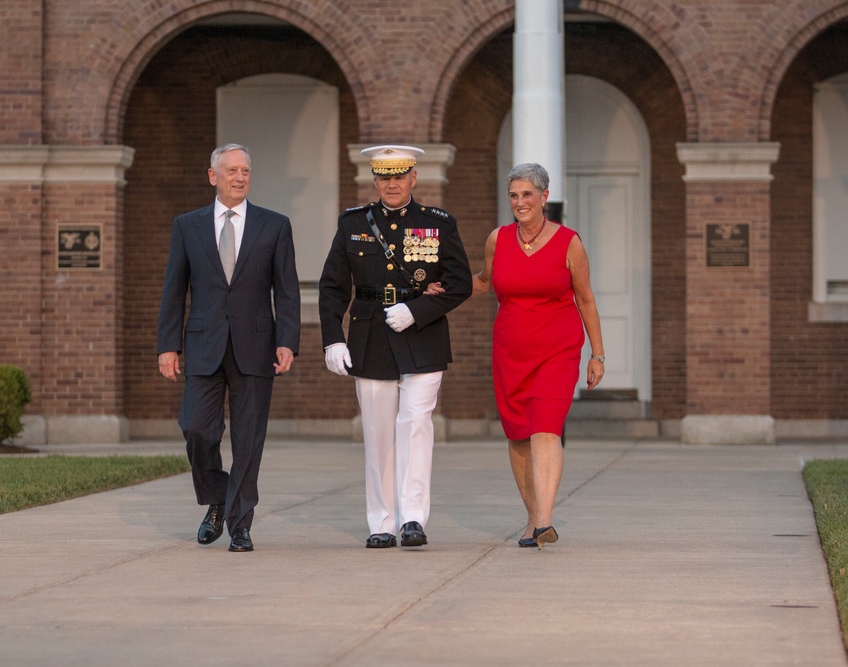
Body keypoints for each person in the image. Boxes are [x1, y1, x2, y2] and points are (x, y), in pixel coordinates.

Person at [319, 145, 472, 549]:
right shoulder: (353, 223)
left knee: (416, 426)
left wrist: (418, 309)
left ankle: (413, 519)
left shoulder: (438, 223)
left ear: (413, 178)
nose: (392, 183)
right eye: (384, 176)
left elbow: (460, 283)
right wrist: (333, 337)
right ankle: (382, 522)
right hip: (370, 334)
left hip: (422, 334)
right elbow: (334, 287)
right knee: (379, 431)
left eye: (399, 175)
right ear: (375, 179)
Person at [156, 143, 301, 553]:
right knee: (197, 429)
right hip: (202, 345)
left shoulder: (274, 226)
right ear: (213, 176)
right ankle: (218, 498)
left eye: (246, 171)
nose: (240, 177)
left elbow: (287, 290)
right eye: (232, 170)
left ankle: (240, 524)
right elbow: (174, 289)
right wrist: (168, 346)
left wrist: (287, 339)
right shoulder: (188, 226)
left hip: (256, 347)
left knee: (248, 439)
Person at [470, 162, 604, 549]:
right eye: (514, 195)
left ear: (545, 197)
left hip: (557, 349)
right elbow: (483, 282)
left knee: (545, 427)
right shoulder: (498, 239)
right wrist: (438, 287)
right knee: (518, 434)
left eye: (527, 194)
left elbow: (586, 299)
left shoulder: (569, 243)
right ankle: (533, 520)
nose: (520, 202)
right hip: (511, 349)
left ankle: (545, 519)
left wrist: (598, 354)